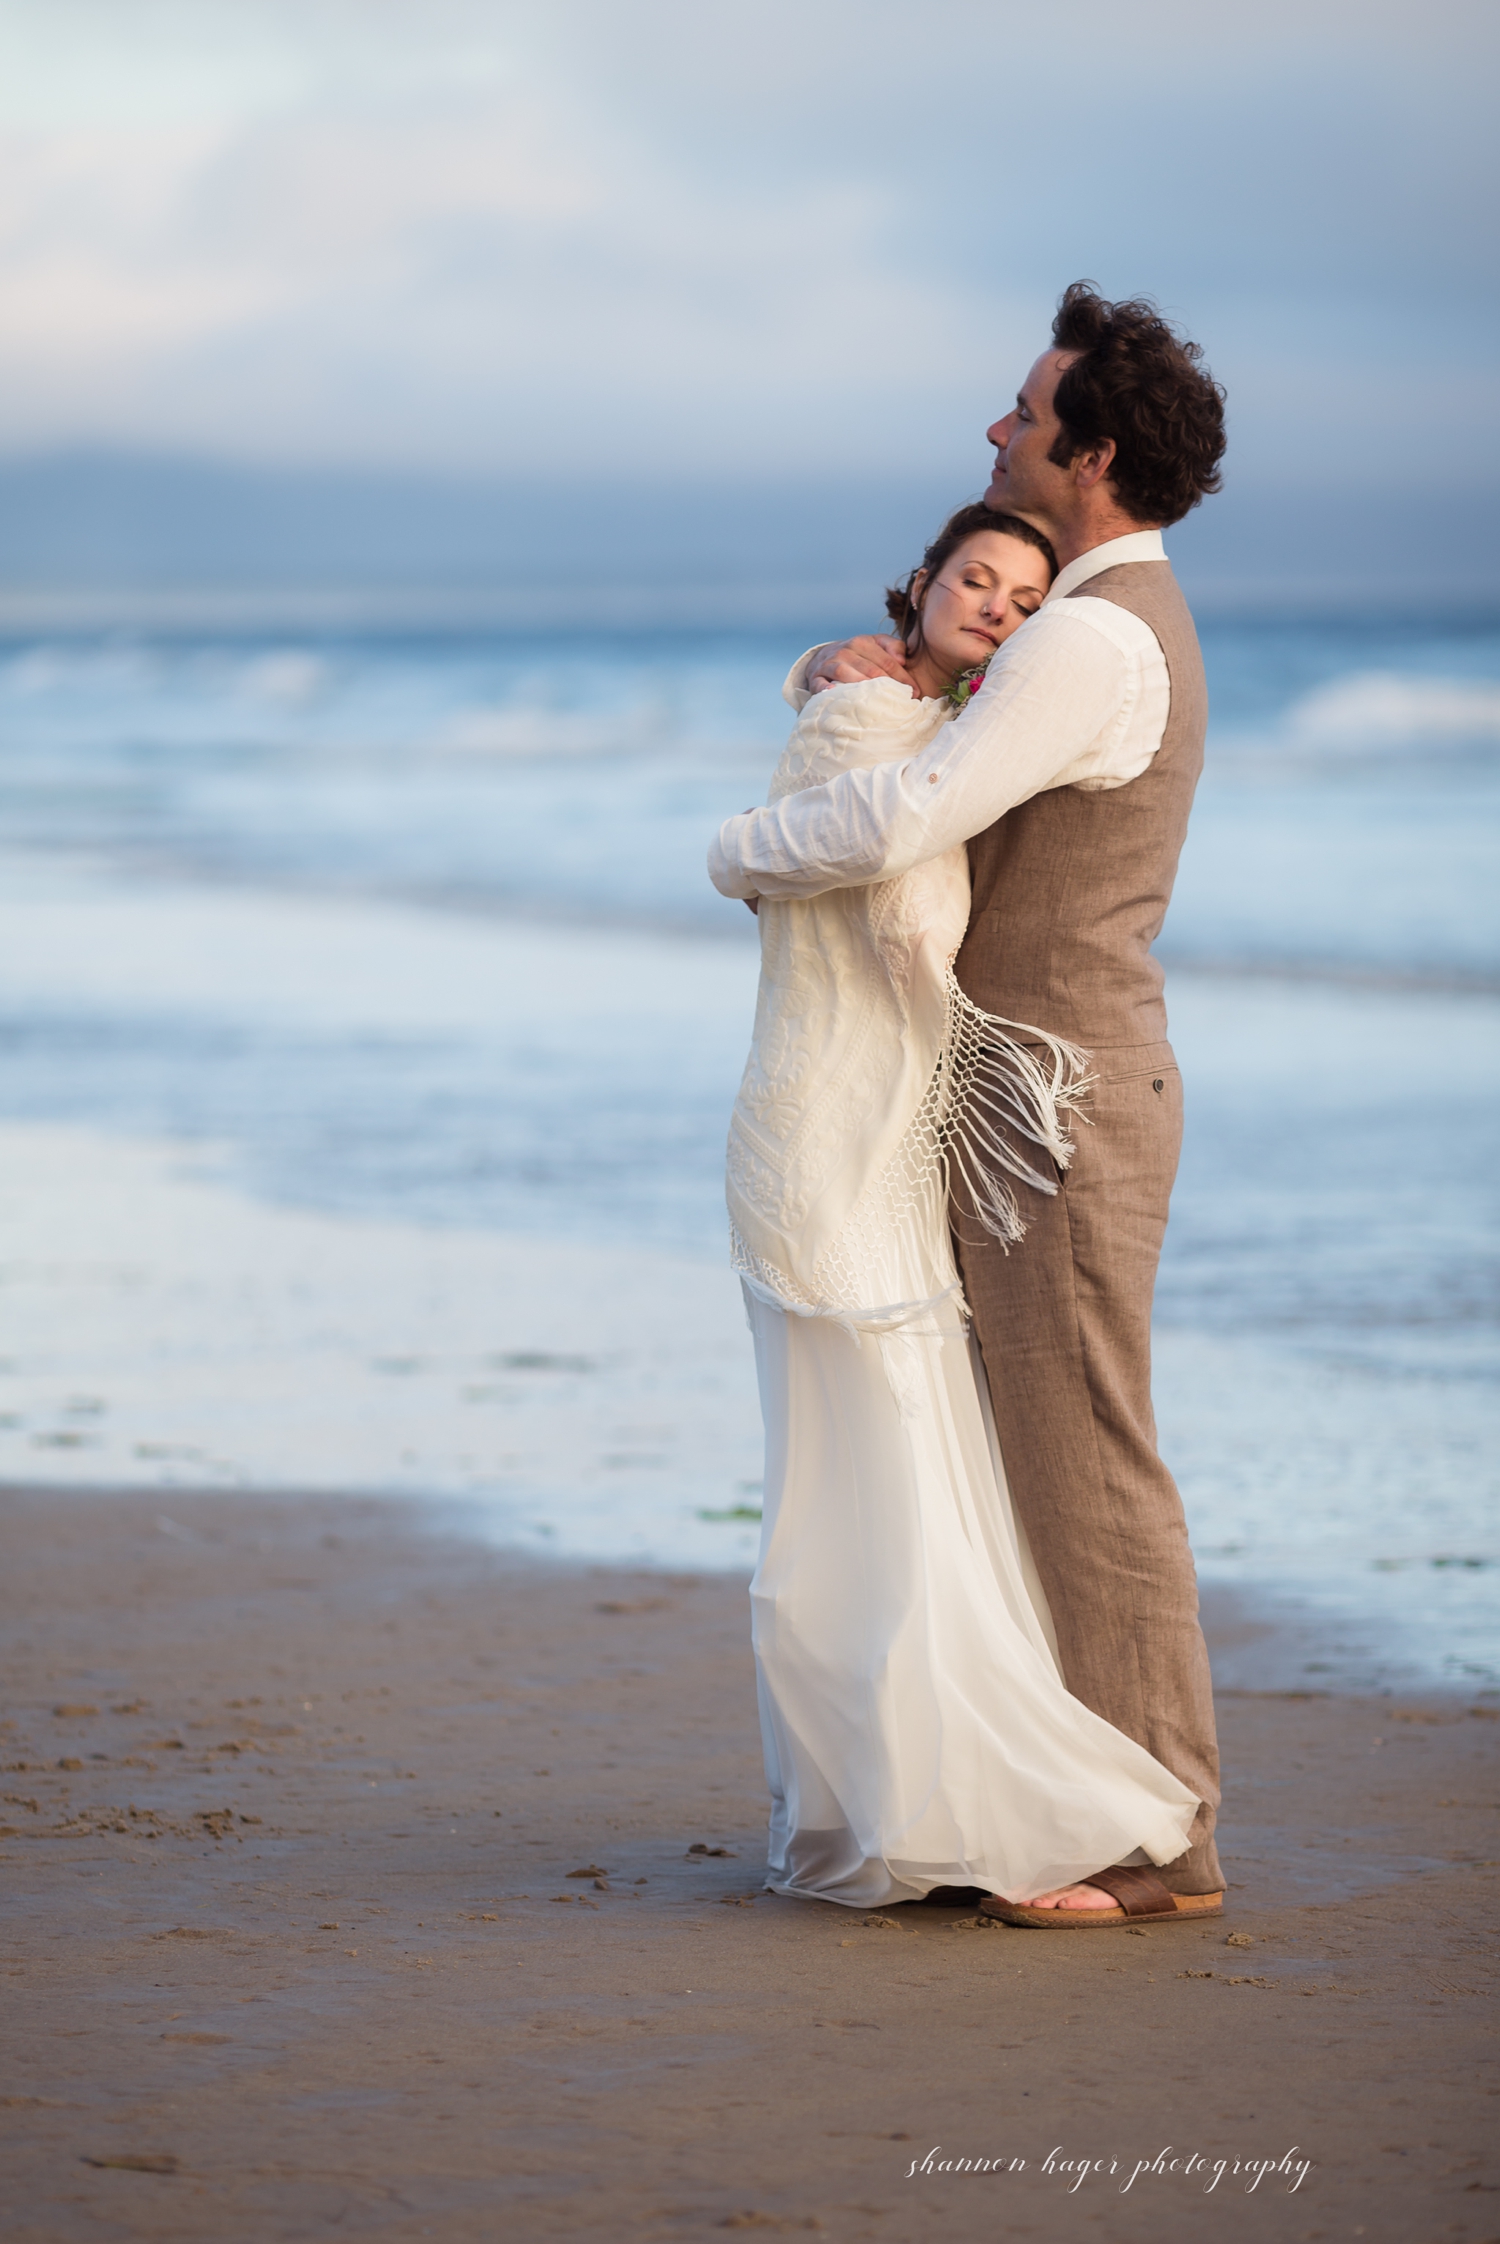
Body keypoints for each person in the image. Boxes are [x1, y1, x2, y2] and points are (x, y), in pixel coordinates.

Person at [711, 283, 1228, 1925]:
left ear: (1090, 451)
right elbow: (928, 730)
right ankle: (1075, 1802)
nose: (996, 430)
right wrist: (832, 670)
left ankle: (1160, 1840)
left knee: (1085, 1465)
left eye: (1022, 411)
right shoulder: (1097, 621)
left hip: (1055, 1105)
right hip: (1036, 1099)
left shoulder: (1087, 633)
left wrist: (732, 851)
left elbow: (915, 809)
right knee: (1043, 1457)